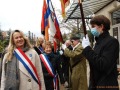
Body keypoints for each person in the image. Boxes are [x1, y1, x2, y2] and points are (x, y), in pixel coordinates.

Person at [82, 15, 119, 90]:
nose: (91, 29)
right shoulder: (98, 42)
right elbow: (94, 61)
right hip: (96, 83)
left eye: (93, 26)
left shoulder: (112, 42)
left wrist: (87, 49)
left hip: (106, 85)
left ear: (101, 26)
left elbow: (102, 64)